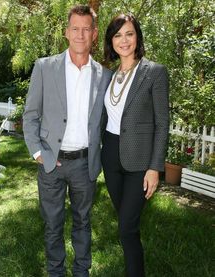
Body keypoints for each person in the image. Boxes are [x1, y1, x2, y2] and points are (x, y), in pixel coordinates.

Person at [23, 5, 112, 277]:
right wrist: (39, 153)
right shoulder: (44, 67)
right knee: (52, 224)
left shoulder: (104, 75)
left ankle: (82, 272)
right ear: (66, 32)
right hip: (52, 162)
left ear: (94, 34)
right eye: (75, 28)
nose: (80, 35)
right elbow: (30, 116)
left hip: (85, 164)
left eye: (86, 29)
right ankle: (56, 272)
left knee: (83, 222)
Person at [101, 14, 169, 277]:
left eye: (129, 33)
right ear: (111, 41)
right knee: (127, 224)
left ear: (137, 36)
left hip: (140, 162)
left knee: (126, 227)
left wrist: (155, 167)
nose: (124, 40)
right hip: (110, 155)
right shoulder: (109, 75)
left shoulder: (155, 72)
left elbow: (162, 123)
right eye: (117, 35)